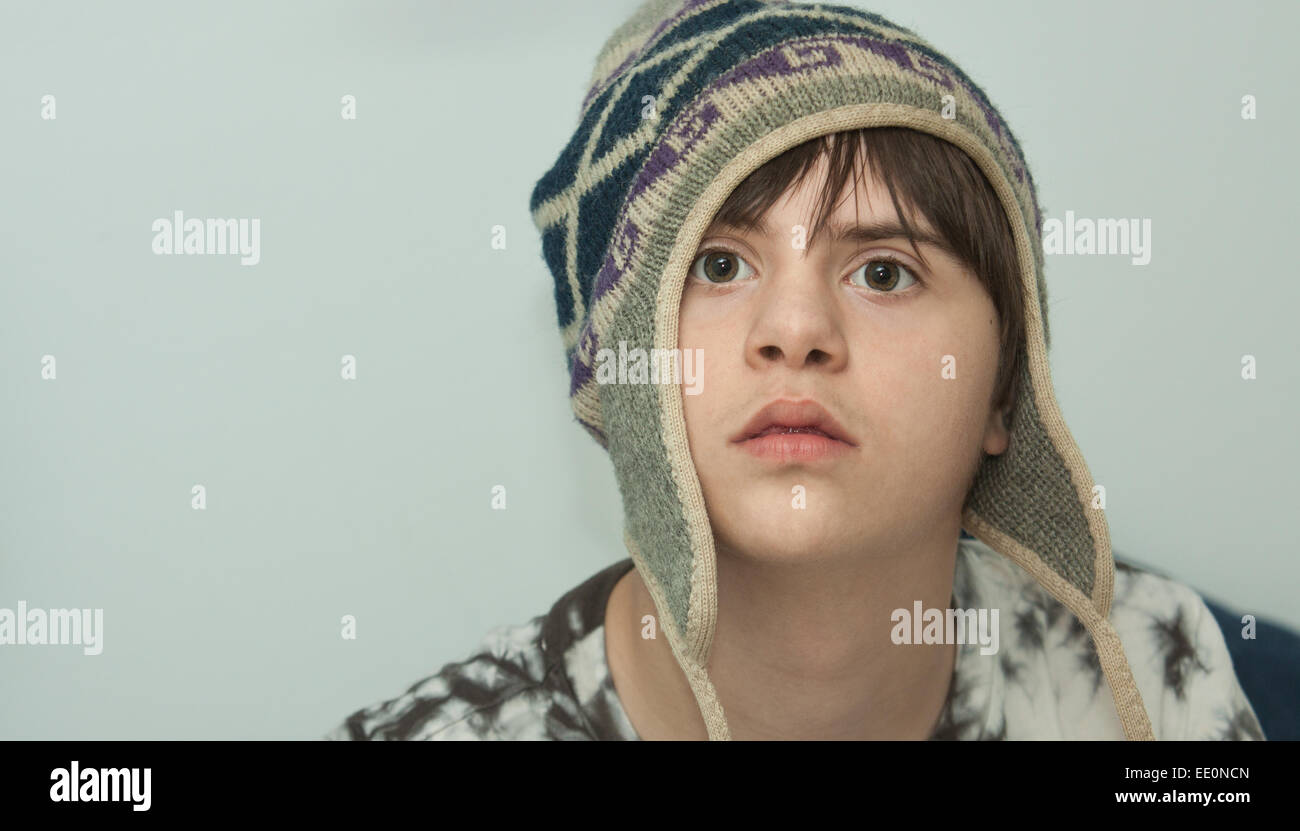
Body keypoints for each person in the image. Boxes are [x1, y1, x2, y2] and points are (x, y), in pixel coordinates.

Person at [326, 0, 1265, 740]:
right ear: (614, 373)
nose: (797, 331)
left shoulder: (1152, 667)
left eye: (884, 272)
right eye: (719, 265)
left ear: (1005, 389)